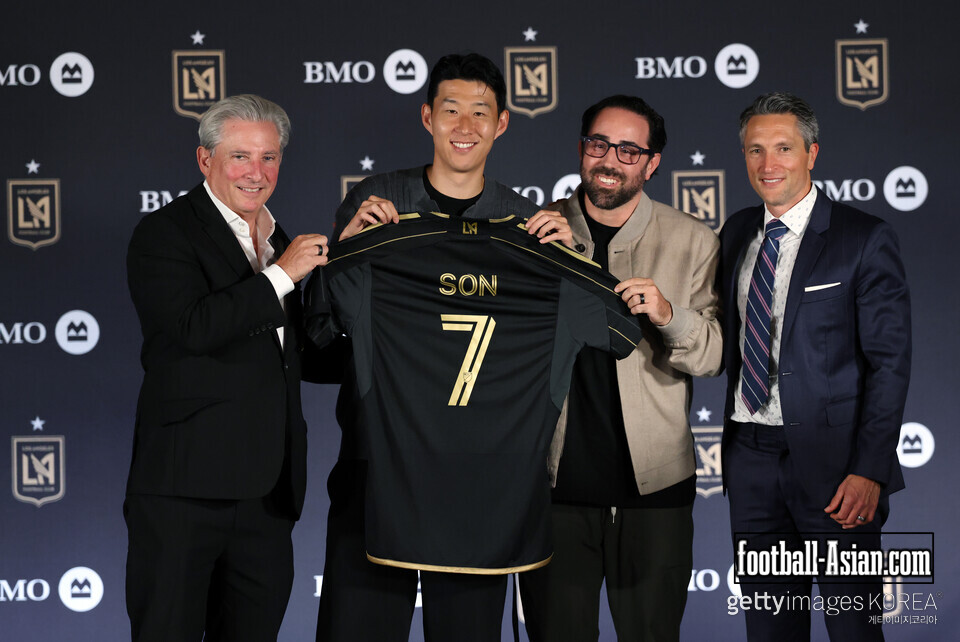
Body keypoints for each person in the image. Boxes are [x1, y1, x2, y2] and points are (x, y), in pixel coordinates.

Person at [314, 53, 571, 642]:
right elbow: (322, 333)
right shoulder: (376, 201)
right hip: (378, 460)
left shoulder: (526, 223)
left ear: (501, 123)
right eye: (451, 109)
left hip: (481, 475)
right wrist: (341, 255)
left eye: (480, 112)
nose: (465, 125)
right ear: (427, 116)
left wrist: (567, 256)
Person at [125, 94, 329, 641]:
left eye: (268, 158)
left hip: (266, 498)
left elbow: (293, 358)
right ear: (204, 160)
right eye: (240, 157)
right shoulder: (164, 233)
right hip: (184, 495)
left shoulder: (277, 240)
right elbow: (195, 326)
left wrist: (353, 266)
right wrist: (282, 275)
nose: (256, 173)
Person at [518, 95, 722, 641]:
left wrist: (668, 315)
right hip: (554, 488)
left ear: (653, 164)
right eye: (598, 144)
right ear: (581, 149)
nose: (610, 159)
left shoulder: (694, 240)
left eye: (629, 150)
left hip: (656, 492)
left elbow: (712, 356)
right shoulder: (535, 232)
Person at [717, 92, 911, 640]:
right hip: (751, 462)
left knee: (853, 628)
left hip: (838, 468)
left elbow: (889, 364)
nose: (768, 164)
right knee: (770, 629)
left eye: (783, 148)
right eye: (755, 150)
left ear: (812, 153)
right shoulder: (735, 234)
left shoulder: (862, 237)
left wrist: (870, 468)